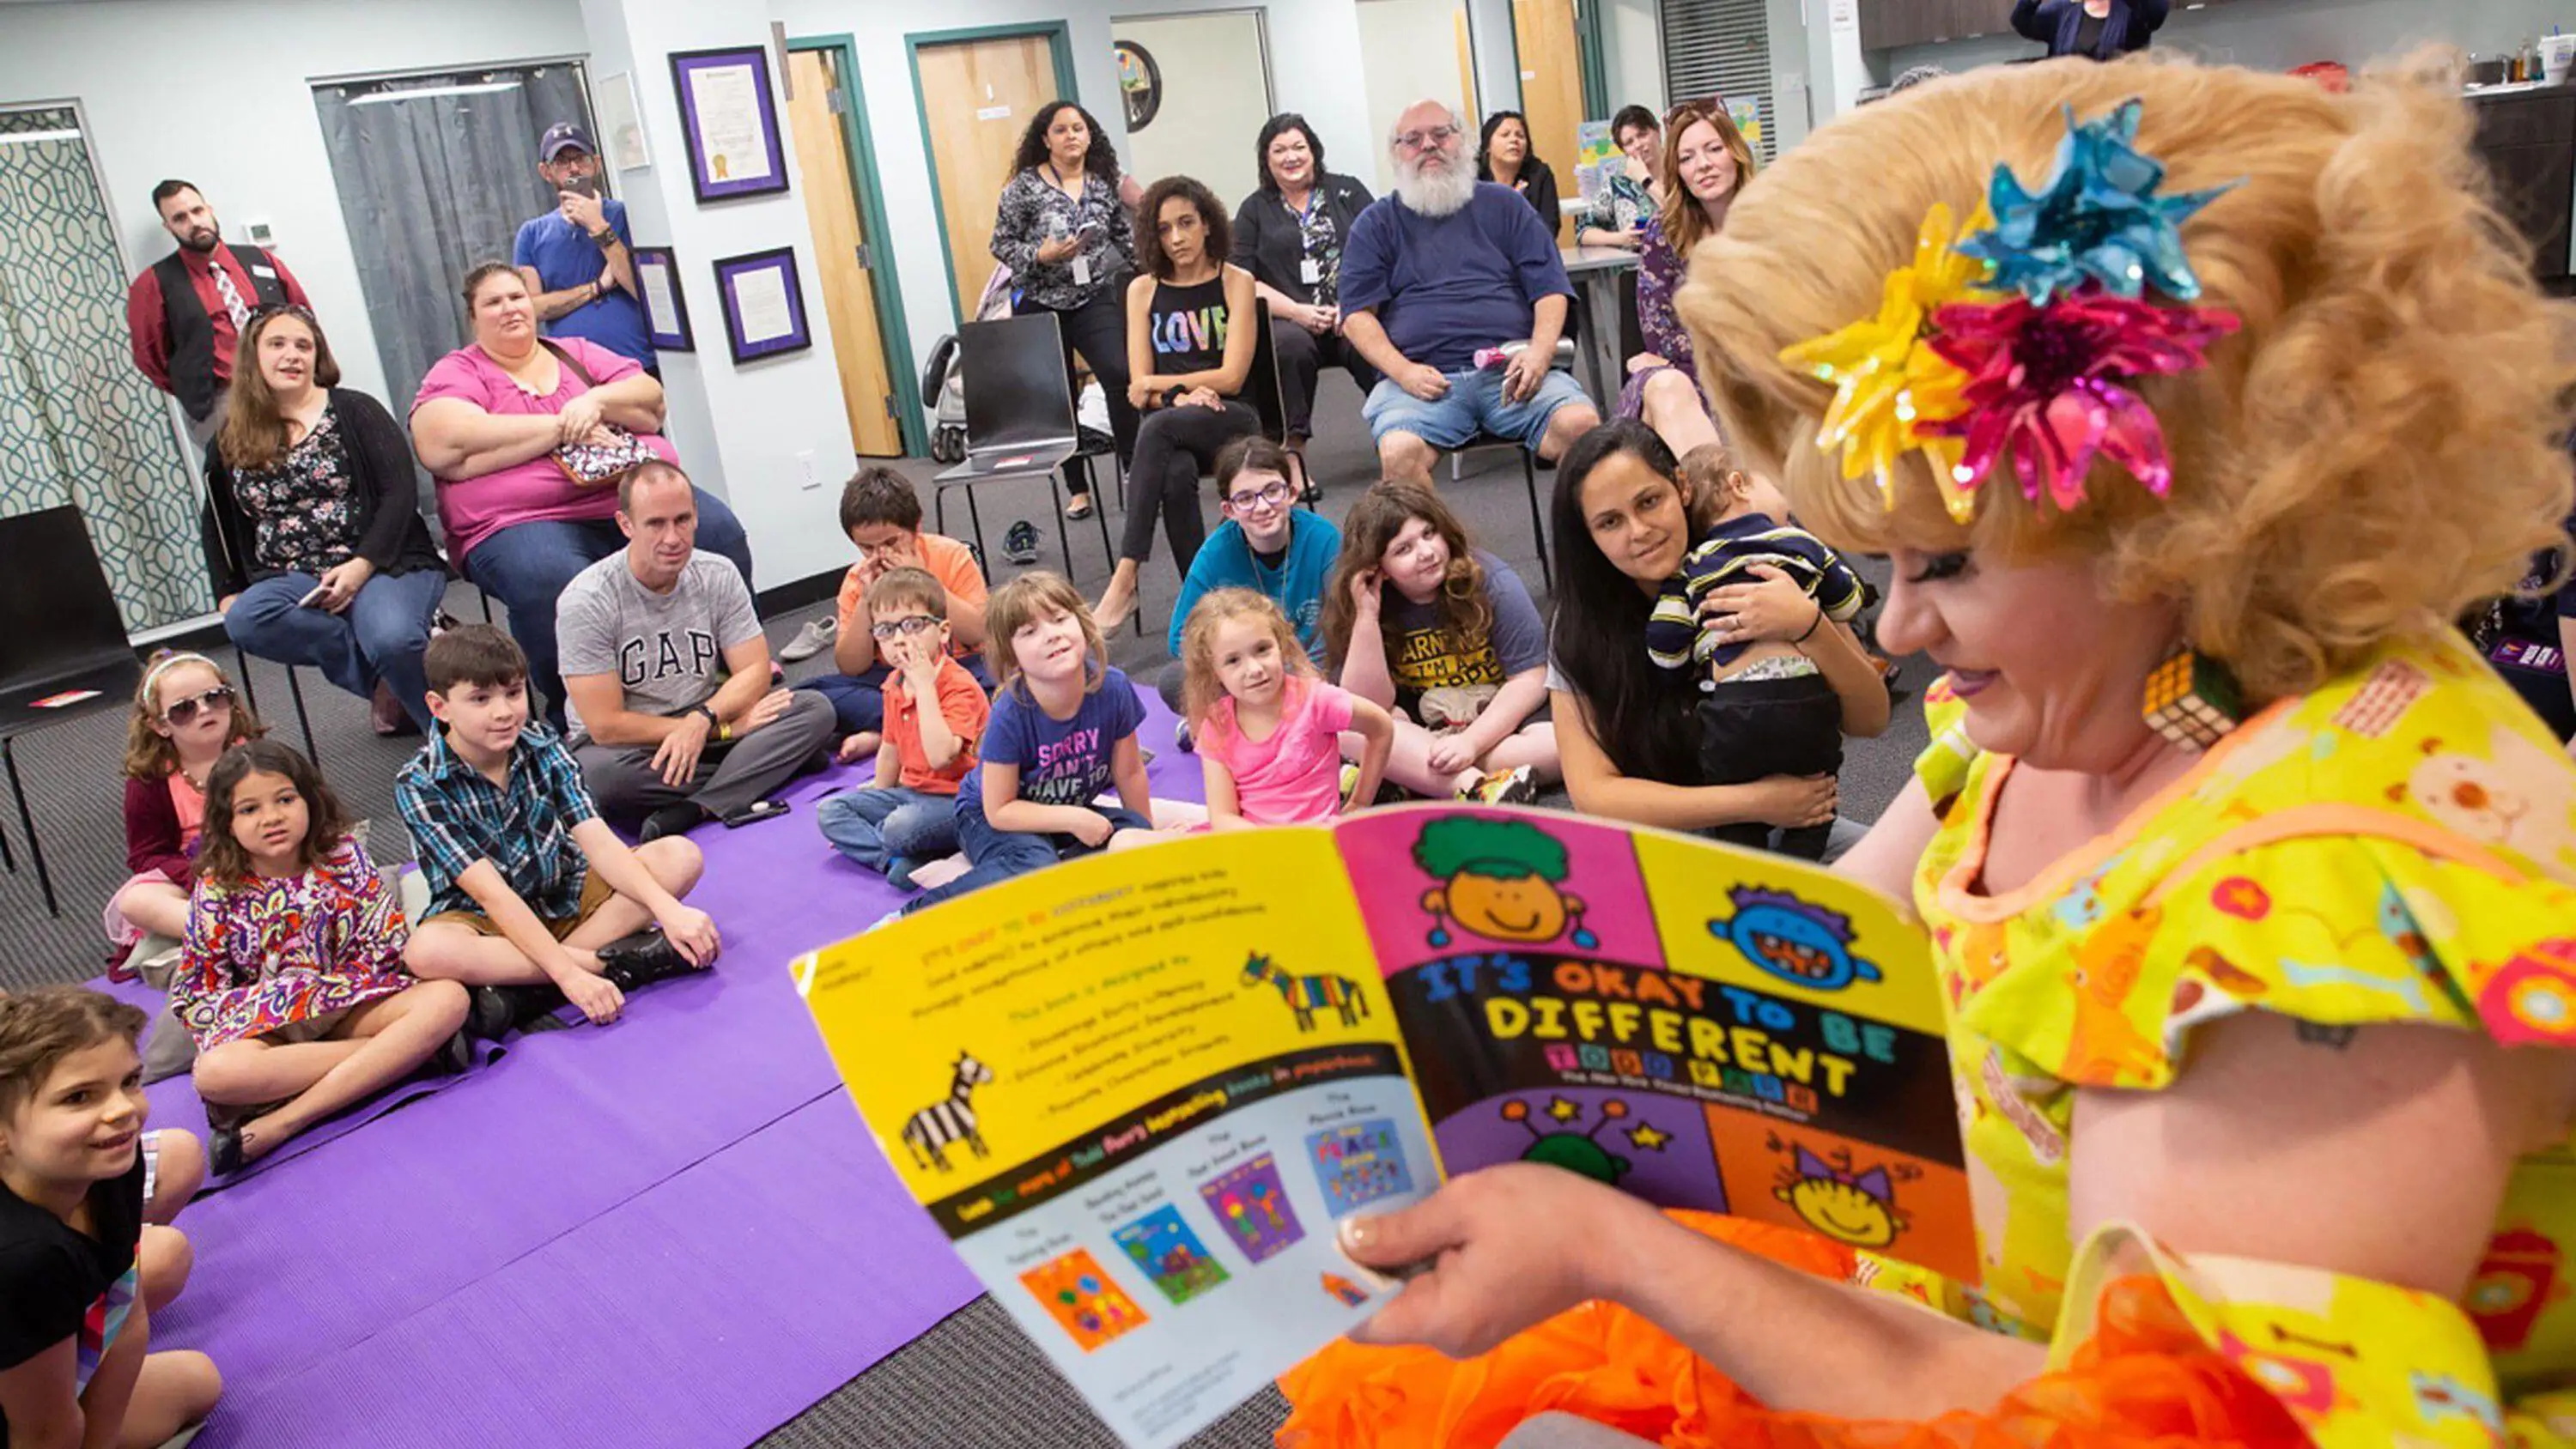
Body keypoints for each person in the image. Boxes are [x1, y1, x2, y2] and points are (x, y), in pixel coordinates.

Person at [1284, 55, 2576, 1448]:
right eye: (1880, 555)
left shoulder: (2339, 897)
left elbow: (2143, 1423)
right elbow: (1793, 959)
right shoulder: (2088, 699)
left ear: (2182, 507)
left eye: (1944, 557)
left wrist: (1618, 1248)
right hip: (1925, 1316)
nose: (1896, 618)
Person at [410, 262, 755, 727]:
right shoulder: (461, 372)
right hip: (520, 523)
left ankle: (727, 682)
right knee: (550, 578)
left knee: (718, 532)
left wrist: (591, 402)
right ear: (473, 317)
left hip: (624, 499)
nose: (509, 308)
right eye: (493, 302)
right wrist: (562, 427)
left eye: (516, 297)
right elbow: (440, 442)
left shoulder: (574, 352)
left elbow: (649, 403)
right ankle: (578, 716)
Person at [398, 624, 719, 1036]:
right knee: (427, 951)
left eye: (513, 693)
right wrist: (570, 974)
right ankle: (616, 962)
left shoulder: (541, 743)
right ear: (439, 707)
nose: (503, 712)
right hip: (486, 920)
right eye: (480, 699)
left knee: (679, 856)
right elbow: (489, 893)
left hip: (562, 893)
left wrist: (669, 912)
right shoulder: (420, 783)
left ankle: (527, 990)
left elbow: (597, 838)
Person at [173, 740, 469, 1173]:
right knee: (215, 1073)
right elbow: (199, 995)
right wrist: (286, 1002)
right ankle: (397, 1058)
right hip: (270, 1029)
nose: (272, 818)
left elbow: (386, 942)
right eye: (249, 809)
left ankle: (286, 1120)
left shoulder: (343, 857)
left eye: (286, 800)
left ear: (310, 800)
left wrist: (323, 995)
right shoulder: (217, 889)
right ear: (227, 823)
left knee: (448, 999)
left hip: (349, 1006)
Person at [1613, 426, 1883, 859]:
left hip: (1732, 711)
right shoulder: (1799, 543)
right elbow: (1850, 600)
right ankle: (1802, 859)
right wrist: (1813, 616)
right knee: (1818, 791)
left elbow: (1665, 648)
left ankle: (1746, 861)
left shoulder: (1693, 566)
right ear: (1739, 484)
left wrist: (1685, 661)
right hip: (1806, 705)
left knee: (1734, 801)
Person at [555, 461, 835, 841]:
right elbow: (605, 725)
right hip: (632, 745)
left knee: (813, 708)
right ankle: (766, 769)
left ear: (696, 517)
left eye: (682, 520)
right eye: (656, 524)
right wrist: (724, 732)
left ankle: (693, 808)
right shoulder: (587, 599)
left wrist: (703, 723)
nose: (673, 537)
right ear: (626, 525)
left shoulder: (717, 573)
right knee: (596, 776)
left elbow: (754, 670)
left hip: (709, 719)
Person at [206, 306, 450, 736]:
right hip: (293, 576)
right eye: (277, 344)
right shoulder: (231, 436)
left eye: (304, 345)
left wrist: (360, 568)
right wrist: (227, 591)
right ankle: (384, 683)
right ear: (253, 357)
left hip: (382, 563)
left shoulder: (356, 411)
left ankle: (450, 741)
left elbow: (400, 495)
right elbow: (218, 522)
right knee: (244, 619)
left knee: (392, 638)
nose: (293, 355)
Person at [0, 988, 222, 1449]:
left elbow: (125, 1310)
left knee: (196, 1381)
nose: (123, 1110)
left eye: (129, 1082)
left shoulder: (108, 1163)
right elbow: (42, 1434)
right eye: (79, 1097)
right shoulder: (21, 1257)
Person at [1342, 101, 1602, 489]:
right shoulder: (1376, 224)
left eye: (1441, 134)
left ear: (1463, 143)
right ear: (1396, 154)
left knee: (1583, 429)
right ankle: (1439, 551)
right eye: (1412, 139)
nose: (1428, 145)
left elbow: (1550, 290)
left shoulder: (1507, 205)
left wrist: (1539, 353)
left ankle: (1580, 547)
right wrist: (1403, 372)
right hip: (1421, 382)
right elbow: (1356, 316)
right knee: (1399, 453)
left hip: (1512, 372)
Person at [904, 573, 1185, 913]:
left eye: (1059, 619)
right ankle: (918, 913)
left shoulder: (1112, 688)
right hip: (991, 816)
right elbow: (1000, 810)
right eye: (1030, 632)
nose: (1051, 635)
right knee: (1036, 864)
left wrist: (1146, 836)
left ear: (1082, 624)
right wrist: (1072, 818)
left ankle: (1049, 867)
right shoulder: (1012, 712)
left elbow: (1129, 773)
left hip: (1059, 815)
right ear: (1013, 656)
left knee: (1131, 831)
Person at [1095, 175, 1261, 633]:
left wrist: (1164, 387)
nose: (1177, 238)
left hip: (1231, 417)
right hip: (1171, 419)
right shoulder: (1142, 290)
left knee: (1157, 429)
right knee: (1173, 469)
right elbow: (1137, 388)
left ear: (1207, 224)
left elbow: (1231, 377)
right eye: (1165, 229)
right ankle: (1203, 603)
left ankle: (1125, 576)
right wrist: (1180, 395)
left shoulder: (1236, 281)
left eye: (1186, 223)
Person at [1324, 482, 1555, 802]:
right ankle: (1475, 786)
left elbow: (1530, 678)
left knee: (1561, 746)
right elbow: (1365, 705)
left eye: (1429, 533)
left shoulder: (1493, 582)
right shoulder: (1365, 601)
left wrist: (1470, 743)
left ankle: (1409, 773)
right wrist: (1366, 616)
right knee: (1348, 731)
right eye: (1403, 550)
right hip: (1426, 724)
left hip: (1499, 720)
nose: (1427, 553)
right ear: (1379, 568)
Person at [989, 100, 1138, 520]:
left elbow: (1124, 237)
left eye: (1078, 128)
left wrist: (1155, 275)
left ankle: (1133, 471)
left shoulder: (1103, 183)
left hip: (1093, 297)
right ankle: (1077, 488)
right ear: (1045, 140)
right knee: (1060, 396)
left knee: (1120, 374)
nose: (1071, 136)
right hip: (1040, 301)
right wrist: (1041, 253)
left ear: (1090, 136)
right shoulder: (1024, 187)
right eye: (1061, 130)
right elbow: (1000, 244)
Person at [814, 568, 990, 889]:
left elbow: (940, 758)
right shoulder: (893, 683)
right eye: (885, 630)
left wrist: (924, 686)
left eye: (912, 625)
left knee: (900, 827)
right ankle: (896, 861)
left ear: (943, 631)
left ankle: (904, 848)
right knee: (831, 811)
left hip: (962, 799)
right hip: (912, 794)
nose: (899, 640)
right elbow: (890, 750)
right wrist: (878, 803)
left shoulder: (958, 686)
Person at [1230, 112, 1380, 473]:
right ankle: (1293, 455)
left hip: (1352, 310)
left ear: (1313, 150)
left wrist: (1357, 305)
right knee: (1290, 349)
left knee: (1371, 341)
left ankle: (1392, 431)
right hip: (1289, 316)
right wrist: (1298, 312)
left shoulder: (1347, 191)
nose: (1291, 157)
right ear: (1267, 160)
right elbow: (1242, 278)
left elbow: (1382, 251)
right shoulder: (1254, 209)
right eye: (1279, 150)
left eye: (1298, 147)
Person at [811, 467, 993, 763]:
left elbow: (979, 634)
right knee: (815, 695)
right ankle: (904, 728)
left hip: (958, 671)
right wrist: (867, 602)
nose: (880, 555)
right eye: (867, 548)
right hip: (893, 680)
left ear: (915, 527)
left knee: (1008, 685)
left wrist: (924, 579)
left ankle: (891, 731)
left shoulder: (951, 554)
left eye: (891, 543)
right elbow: (850, 666)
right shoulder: (858, 578)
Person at [1158, 436, 1345, 715]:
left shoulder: (1323, 538)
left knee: (1350, 660)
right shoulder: (1216, 553)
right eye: (1245, 499)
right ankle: (1259, 715)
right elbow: (1181, 638)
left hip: (1310, 664)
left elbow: (1344, 617)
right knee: (1173, 681)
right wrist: (1234, 667)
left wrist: (1305, 674)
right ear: (1229, 510)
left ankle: (1244, 719)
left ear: (1292, 493)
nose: (1261, 507)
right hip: (1246, 672)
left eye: (1272, 491)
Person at [125, 179, 311, 452]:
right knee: (253, 485)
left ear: (209, 210)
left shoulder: (260, 260)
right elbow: (149, 357)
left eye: (197, 211)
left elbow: (303, 318)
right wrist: (197, 386)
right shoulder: (153, 283)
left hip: (288, 387)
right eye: (180, 218)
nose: (193, 222)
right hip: (223, 403)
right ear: (169, 226)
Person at [1616, 98, 1756, 459]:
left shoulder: (1771, 223)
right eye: (1687, 158)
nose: (1703, 165)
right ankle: (1719, 503)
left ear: (1736, 153)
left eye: (1713, 149)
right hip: (1689, 372)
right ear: (1677, 171)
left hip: (1758, 367)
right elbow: (1660, 333)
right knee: (1667, 385)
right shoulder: (1666, 232)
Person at [1184, 590, 1392, 828]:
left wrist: (1361, 802)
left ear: (1281, 646)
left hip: (1316, 843)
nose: (1254, 669)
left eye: (1262, 649)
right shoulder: (1217, 724)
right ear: (1213, 672)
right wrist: (1270, 845)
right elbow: (1222, 816)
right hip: (1256, 846)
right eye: (1233, 661)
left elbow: (1381, 727)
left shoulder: (1316, 701)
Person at [106, 653, 264, 961]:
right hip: (197, 872)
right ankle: (236, 933)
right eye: (183, 709)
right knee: (135, 900)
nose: (204, 710)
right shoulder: (151, 781)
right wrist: (197, 873)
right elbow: (145, 855)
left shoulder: (257, 756)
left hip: (263, 854)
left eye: (215, 697)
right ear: (160, 725)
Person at [512, 122, 653, 373]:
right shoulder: (532, 234)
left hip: (636, 363)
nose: (574, 169)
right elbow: (532, 309)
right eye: (562, 162)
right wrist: (596, 287)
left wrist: (598, 226)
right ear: (546, 172)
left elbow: (645, 291)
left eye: (580, 159)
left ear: (596, 163)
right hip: (574, 373)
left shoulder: (626, 215)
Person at [1573, 105, 1662, 251]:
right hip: (1635, 269)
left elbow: (1684, 215)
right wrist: (1620, 238)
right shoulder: (1618, 185)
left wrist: (1645, 180)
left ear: (1658, 131)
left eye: (1642, 135)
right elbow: (1583, 231)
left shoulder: (1680, 173)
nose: (1638, 145)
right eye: (1629, 143)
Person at [1475, 112, 1562, 242]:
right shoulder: (1474, 178)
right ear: (1488, 146)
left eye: (1520, 136)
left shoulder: (1539, 174)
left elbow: (1549, 225)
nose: (1514, 140)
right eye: (1505, 135)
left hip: (1531, 253)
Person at [2013, 0, 2168, 58]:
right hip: (2071, 108)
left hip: (2118, 112)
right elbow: (2022, 21)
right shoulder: (2063, 10)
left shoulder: (2133, 13)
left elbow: (2157, 11)